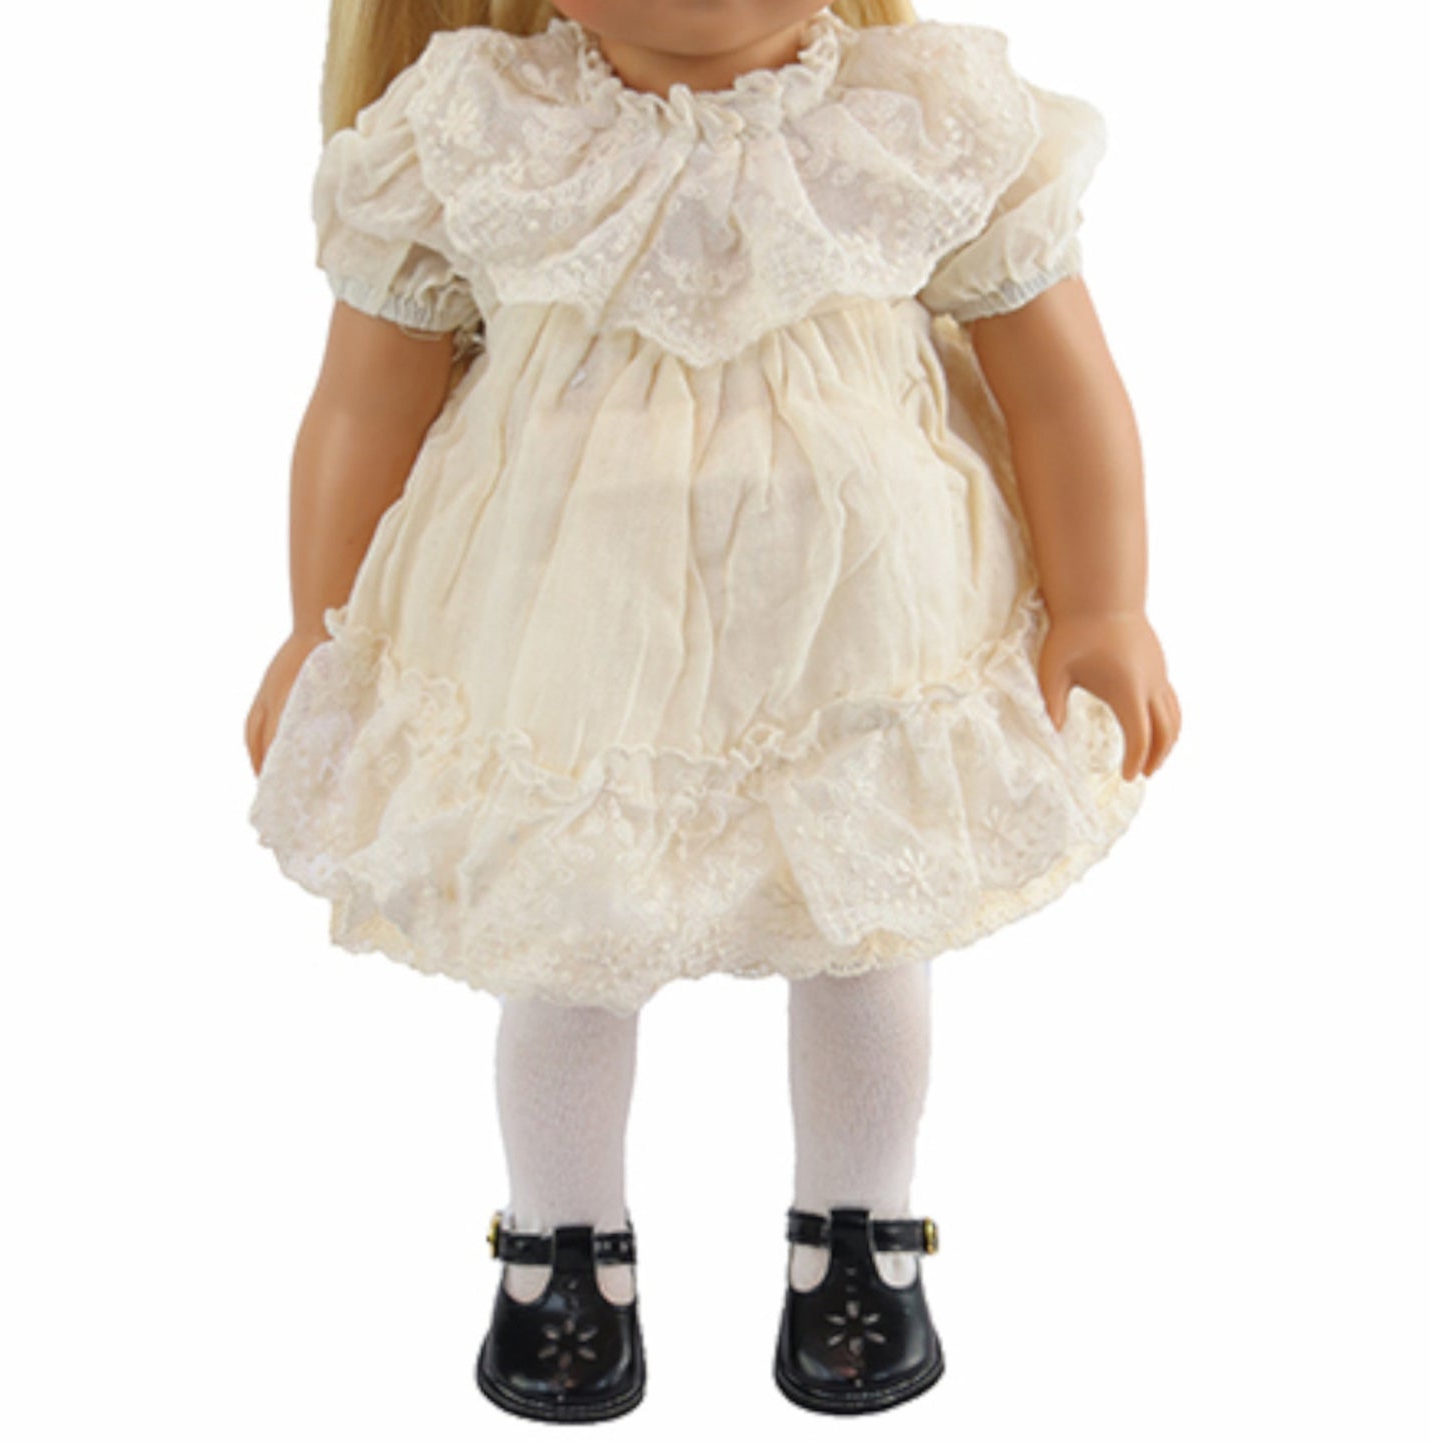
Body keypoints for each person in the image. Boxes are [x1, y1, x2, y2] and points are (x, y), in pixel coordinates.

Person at [244, 0, 1180, 1421]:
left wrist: (1105, 601)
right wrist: (320, 630)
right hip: (573, 643)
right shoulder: (482, 132)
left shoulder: (917, 117)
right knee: (567, 939)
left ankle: (859, 1229)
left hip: (862, 634)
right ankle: (561, 1242)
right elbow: (363, 406)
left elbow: (1058, 383)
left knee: (868, 930)